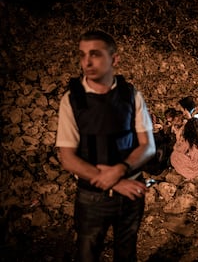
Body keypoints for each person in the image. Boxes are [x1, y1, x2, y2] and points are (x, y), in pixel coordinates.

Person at [55, 30, 156, 262]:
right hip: (92, 197)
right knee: (87, 254)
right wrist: (117, 182)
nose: (87, 62)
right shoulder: (72, 100)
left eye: (95, 54)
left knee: (127, 252)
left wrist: (120, 169)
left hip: (132, 193)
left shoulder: (131, 95)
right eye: (82, 55)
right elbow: (68, 158)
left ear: (114, 59)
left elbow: (147, 146)